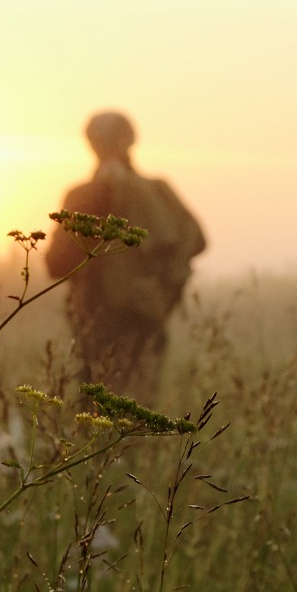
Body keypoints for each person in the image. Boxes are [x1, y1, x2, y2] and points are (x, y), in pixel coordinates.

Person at [44, 111, 208, 401]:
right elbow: (197, 241)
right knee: (140, 408)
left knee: (94, 416)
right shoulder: (159, 191)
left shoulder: (82, 195)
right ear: (130, 140)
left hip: (96, 325)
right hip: (148, 316)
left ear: (91, 145)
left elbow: (56, 264)